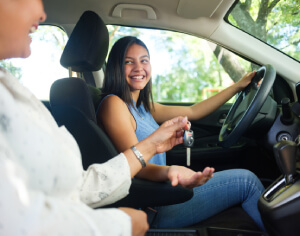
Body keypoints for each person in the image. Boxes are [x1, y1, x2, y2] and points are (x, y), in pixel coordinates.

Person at [0, 1, 205, 236]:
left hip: (119, 207)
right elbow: (15, 218)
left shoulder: (10, 88)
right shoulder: (108, 103)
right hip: (142, 209)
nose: (41, 12)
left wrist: (154, 146)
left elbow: (79, 185)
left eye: (144, 60)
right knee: (247, 182)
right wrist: (116, 225)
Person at [97, 36, 266, 230]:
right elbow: (136, 167)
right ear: (116, 68)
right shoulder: (114, 105)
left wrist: (237, 86)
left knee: (247, 181)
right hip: (153, 206)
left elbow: (194, 112)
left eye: (144, 60)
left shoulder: (142, 107)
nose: (139, 68)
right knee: (248, 183)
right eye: (129, 62)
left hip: (162, 194)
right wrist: (172, 171)